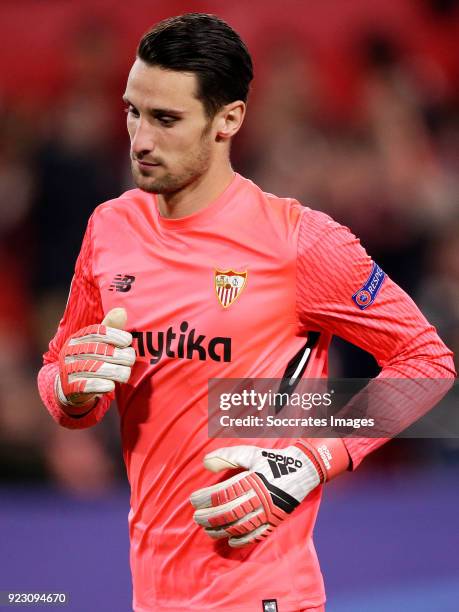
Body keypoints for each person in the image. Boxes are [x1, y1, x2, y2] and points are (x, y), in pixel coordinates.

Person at [37, 13, 455, 612]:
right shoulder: (110, 228)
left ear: (227, 120)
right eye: (133, 111)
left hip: (264, 594)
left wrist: (312, 461)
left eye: (166, 119)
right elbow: (62, 375)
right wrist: (71, 391)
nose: (140, 139)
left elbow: (427, 361)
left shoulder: (300, 241)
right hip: (151, 593)